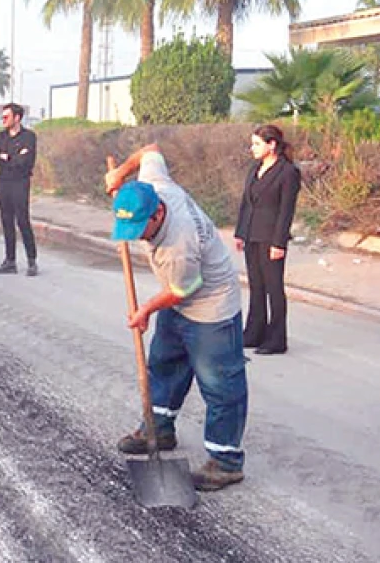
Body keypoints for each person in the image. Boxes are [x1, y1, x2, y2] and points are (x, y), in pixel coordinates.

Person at [105, 144, 248, 492]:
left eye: (139, 227)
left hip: (210, 305)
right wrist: (121, 172)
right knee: (164, 364)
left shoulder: (179, 243)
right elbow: (151, 151)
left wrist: (145, 311)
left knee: (219, 383)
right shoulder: (154, 184)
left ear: (156, 215)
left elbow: (184, 290)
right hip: (178, 298)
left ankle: (226, 461)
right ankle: (159, 430)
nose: (135, 236)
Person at [234, 124, 301, 355]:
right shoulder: (255, 168)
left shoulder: (288, 172)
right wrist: (240, 233)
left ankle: (276, 339)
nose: (252, 148)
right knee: (256, 286)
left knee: (274, 287)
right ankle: (254, 332)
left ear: (272, 145)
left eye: (257, 144)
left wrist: (279, 243)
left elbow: (286, 211)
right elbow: (246, 202)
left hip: (271, 237)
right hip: (251, 234)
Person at [0, 102, 39, 276]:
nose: (3, 120)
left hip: (20, 183)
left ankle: (32, 261)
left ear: (17, 118)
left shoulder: (29, 137)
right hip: (4, 183)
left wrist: (7, 157)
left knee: (23, 221)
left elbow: (25, 162)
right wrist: (11, 158)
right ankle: (10, 261)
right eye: (2, 117)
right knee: (6, 221)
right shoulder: (0, 137)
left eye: (6, 117)